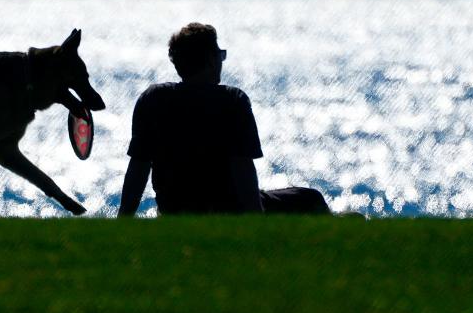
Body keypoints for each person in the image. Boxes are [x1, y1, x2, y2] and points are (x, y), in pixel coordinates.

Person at [118, 22, 330, 216]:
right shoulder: (232, 100)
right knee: (311, 198)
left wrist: (124, 219)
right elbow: (242, 167)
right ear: (211, 59)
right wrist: (256, 219)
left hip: (174, 209)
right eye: (220, 54)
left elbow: (139, 166)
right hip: (230, 208)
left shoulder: (152, 99)